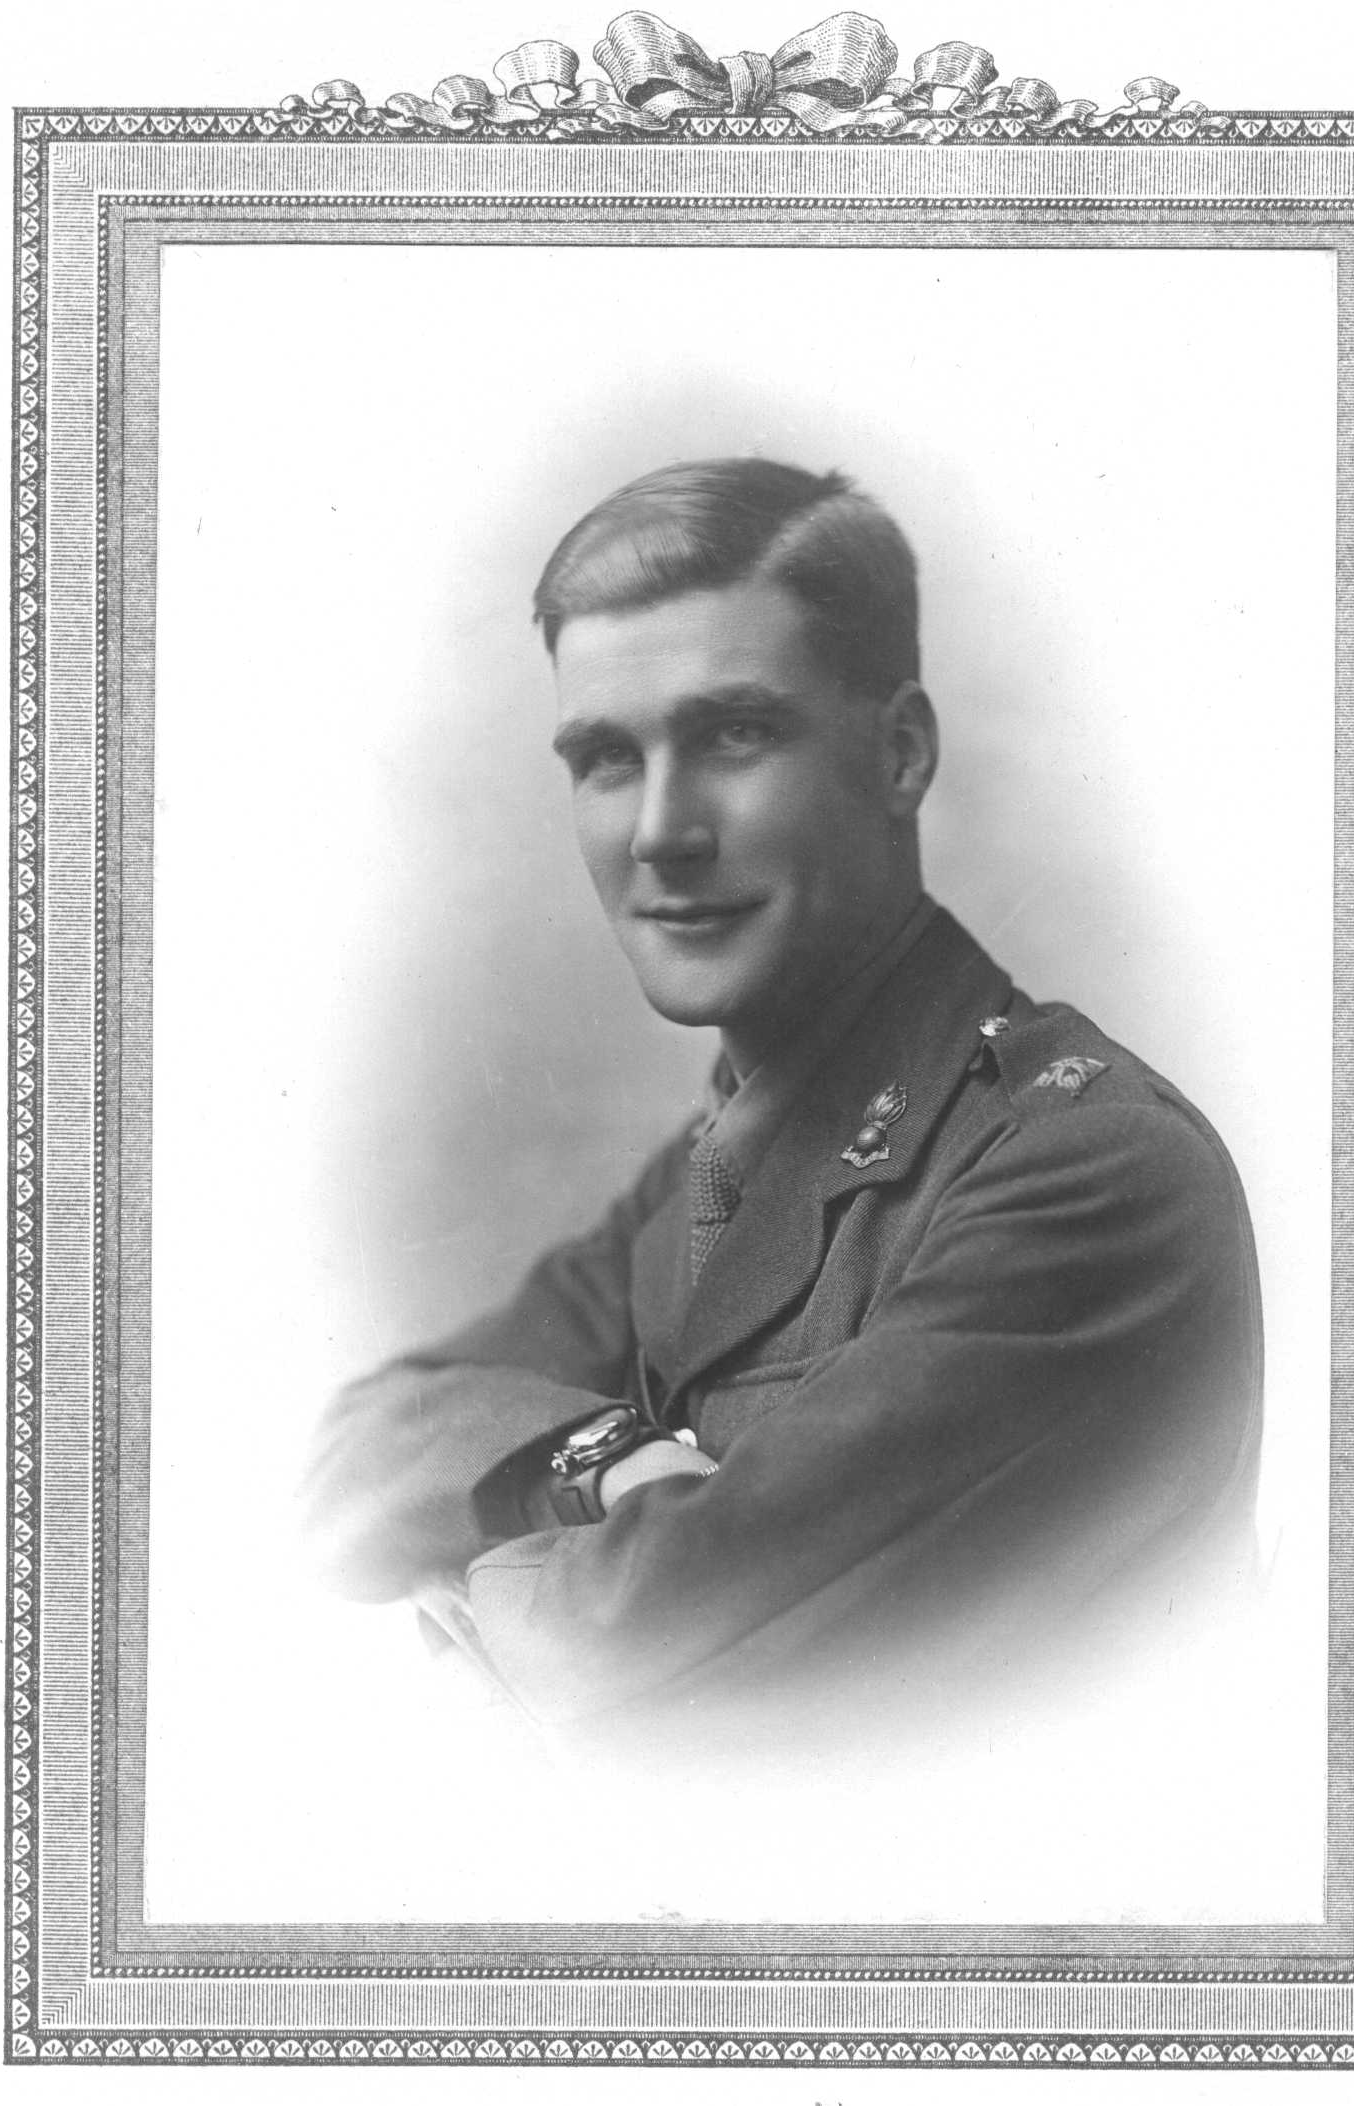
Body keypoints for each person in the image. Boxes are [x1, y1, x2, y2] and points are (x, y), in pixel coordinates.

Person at [302, 458, 1262, 1752]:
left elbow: (630, 1645)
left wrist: (453, 1588)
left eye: (734, 735)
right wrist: (600, 1459)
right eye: (605, 756)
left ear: (899, 755)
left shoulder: (1086, 1170)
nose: (660, 830)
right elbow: (341, 1462)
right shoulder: (713, 1168)